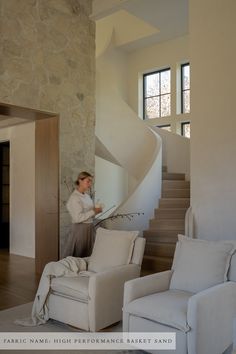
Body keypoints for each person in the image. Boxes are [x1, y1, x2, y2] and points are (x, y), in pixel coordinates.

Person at [62, 171, 102, 258]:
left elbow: (89, 212)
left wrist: (97, 210)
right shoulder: (74, 198)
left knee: (87, 255)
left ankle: (85, 272)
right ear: (80, 180)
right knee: (78, 255)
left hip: (89, 228)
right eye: (88, 181)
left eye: (91, 181)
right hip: (79, 230)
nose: (90, 183)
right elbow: (77, 218)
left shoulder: (87, 196)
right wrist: (94, 211)